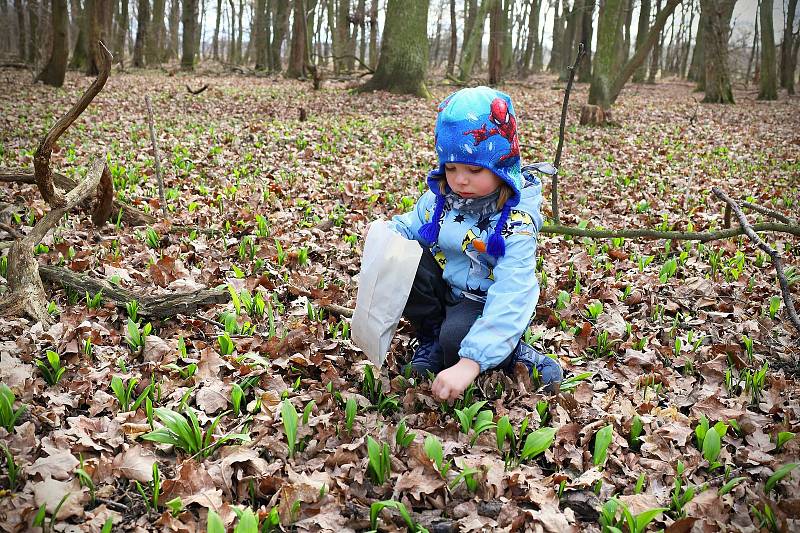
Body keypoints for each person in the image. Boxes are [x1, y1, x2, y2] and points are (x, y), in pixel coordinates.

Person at [387, 86, 562, 402]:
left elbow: (513, 292)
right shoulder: (444, 197)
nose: (460, 180)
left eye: (474, 169)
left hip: (485, 303)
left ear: (502, 167)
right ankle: (432, 339)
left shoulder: (515, 224)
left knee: (459, 341)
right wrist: (382, 238)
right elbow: (409, 226)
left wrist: (470, 362)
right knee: (406, 259)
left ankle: (515, 353)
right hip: (450, 289)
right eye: (451, 168)